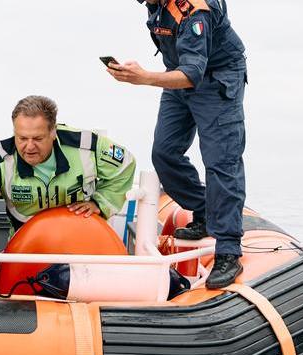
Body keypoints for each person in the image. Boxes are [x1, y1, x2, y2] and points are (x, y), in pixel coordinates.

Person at [106, 0, 248, 289]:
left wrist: (144, 78)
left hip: (216, 77)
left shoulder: (195, 10)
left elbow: (193, 73)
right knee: (164, 153)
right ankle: (204, 209)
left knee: (221, 162)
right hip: (179, 76)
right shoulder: (155, 3)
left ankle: (229, 251)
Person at [0, 95, 135, 238]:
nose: (29, 146)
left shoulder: (86, 146)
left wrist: (100, 202)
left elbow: (125, 165)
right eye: (22, 138)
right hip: (28, 245)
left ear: (53, 132)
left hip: (82, 240)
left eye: (38, 138)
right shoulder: (1, 159)